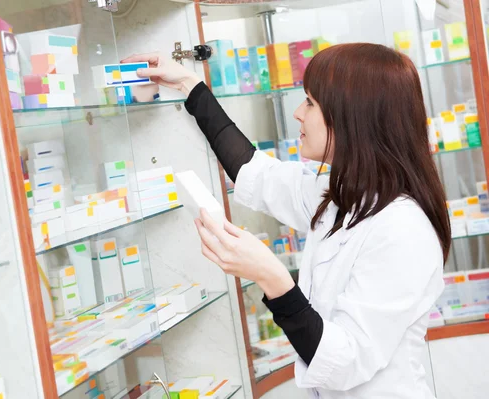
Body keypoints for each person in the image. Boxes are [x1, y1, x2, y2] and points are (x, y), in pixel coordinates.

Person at [123, 43, 450, 399]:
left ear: (352, 118)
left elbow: (344, 362)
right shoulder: (342, 194)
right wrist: (188, 83)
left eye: (310, 102)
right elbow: (254, 171)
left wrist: (271, 276)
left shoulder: (402, 229)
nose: (298, 113)